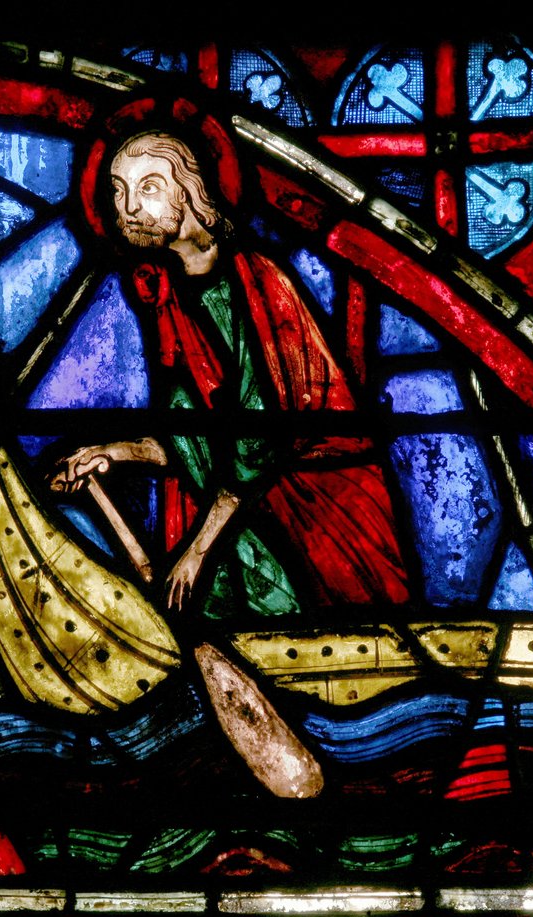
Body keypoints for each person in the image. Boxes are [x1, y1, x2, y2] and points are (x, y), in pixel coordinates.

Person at [54, 129, 409, 618]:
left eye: (148, 187)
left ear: (191, 192)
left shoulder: (257, 283)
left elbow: (256, 443)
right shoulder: (169, 295)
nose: (128, 207)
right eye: (119, 190)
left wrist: (198, 552)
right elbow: (194, 441)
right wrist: (113, 453)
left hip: (315, 510)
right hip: (236, 514)